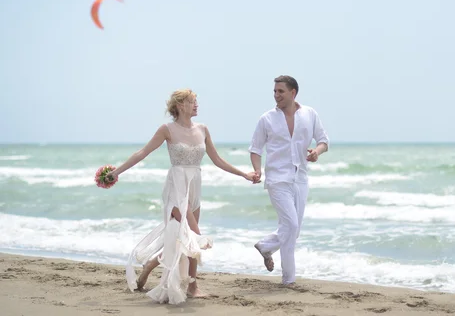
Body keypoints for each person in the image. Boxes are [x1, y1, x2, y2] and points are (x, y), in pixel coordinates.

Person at [105, 89, 258, 304]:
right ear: (179, 105)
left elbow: (217, 159)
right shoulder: (167, 129)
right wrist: (116, 172)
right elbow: (142, 153)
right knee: (194, 235)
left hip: (195, 184)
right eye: (192, 102)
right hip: (176, 186)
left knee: (182, 238)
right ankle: (193, 287)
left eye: (196, 101)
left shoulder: (203, 129)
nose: (196, 105)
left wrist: (244, 174)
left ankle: (151, 264)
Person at [248, 75, 329, 286]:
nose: (276, 95)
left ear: (293, 93)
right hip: (277, 178)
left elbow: (323, 141)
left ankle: (266, 246)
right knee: (291, 225)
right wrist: (257, 170)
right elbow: (255, 149)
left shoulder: (310, 114)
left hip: (301, 177)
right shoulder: (266, 119)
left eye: (280, 91)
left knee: (294, 228)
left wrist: (316, 152)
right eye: (274, 91)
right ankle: (288, 280)